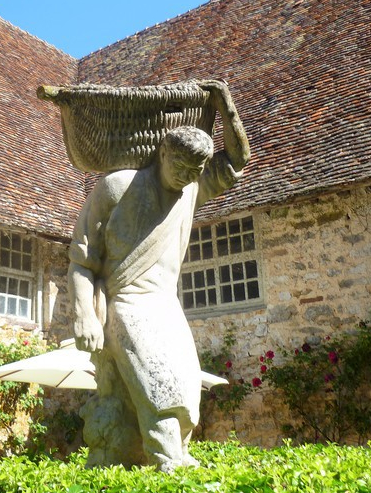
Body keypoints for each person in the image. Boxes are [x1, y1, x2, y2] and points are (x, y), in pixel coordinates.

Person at [68, 80, 250, 472]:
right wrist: (84, 313)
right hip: (126, 303)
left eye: (195, 170)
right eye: (180, 166)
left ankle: (175, 455)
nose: (186, 176)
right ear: (162, 152)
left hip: (166, 306)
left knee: (185, 387)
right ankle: (169, 465)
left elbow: (237, 160)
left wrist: (224, 104)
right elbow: (82, 261)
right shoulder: (117, 187)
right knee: (159, 386)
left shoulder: (190, 191)